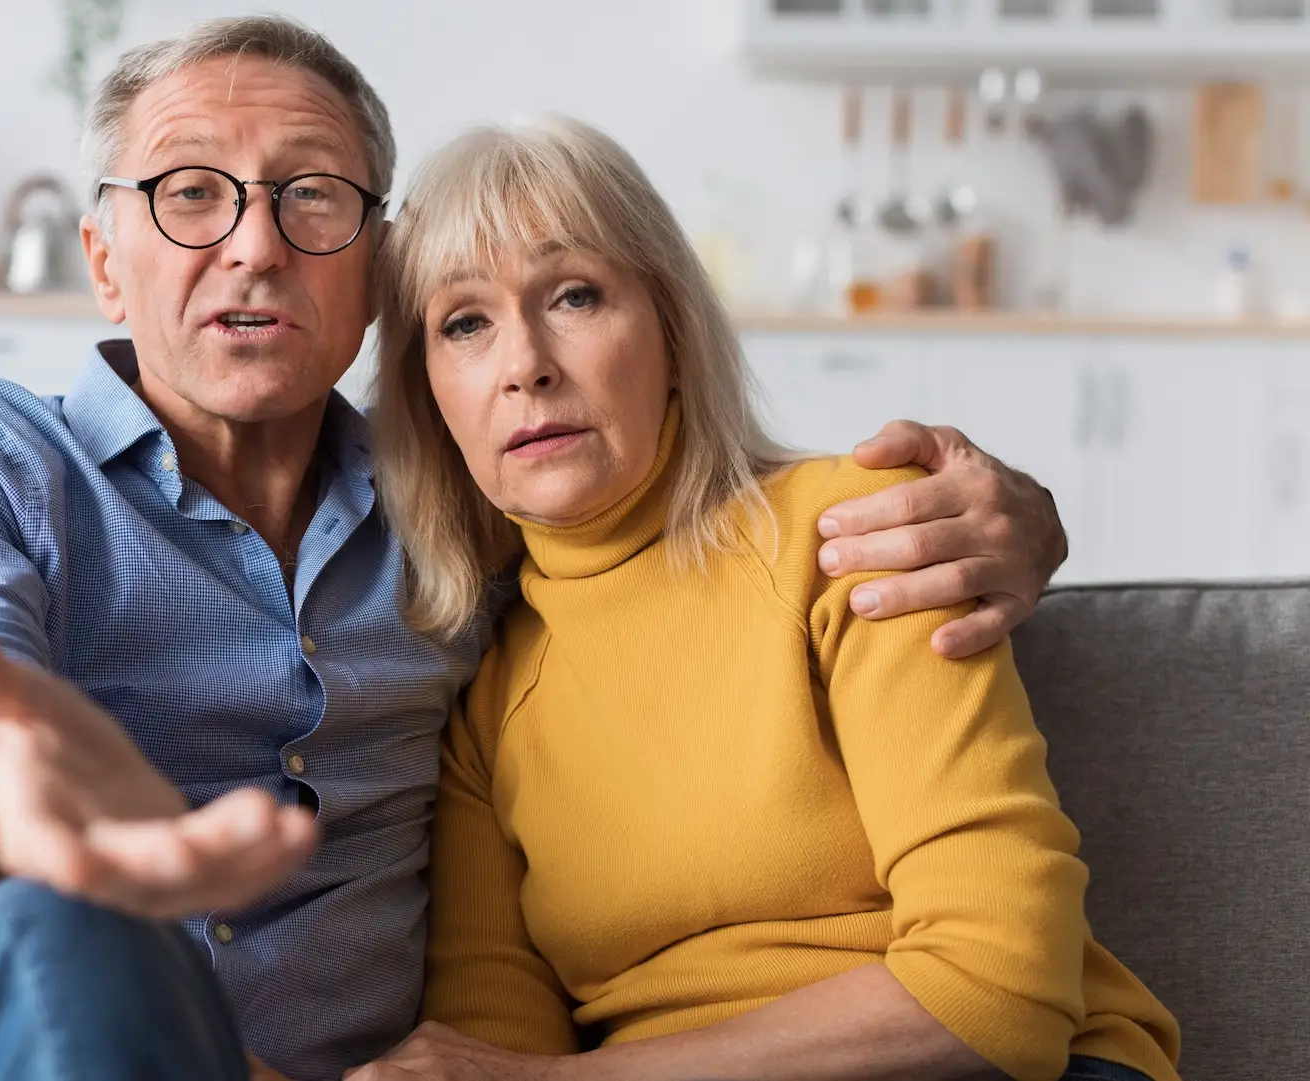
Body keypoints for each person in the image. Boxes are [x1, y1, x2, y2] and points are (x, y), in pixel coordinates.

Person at [0, 16, 1073, 1081]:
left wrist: (1017, 518)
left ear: (371, 276)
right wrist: (21, 806)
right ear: (104, 258)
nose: (252, 247)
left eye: (311, 199)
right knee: (73, 946)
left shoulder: (465, 519)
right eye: (190, 194)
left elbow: (669, 530)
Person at [341, 116, 1179, 1081]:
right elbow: (494, 1049)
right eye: (464, 323)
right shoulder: (484, 711)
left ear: (672, 334)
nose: (523, 362)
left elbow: (1000, 989)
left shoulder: (859, 538)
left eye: (574, 294)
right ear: (430, 399)